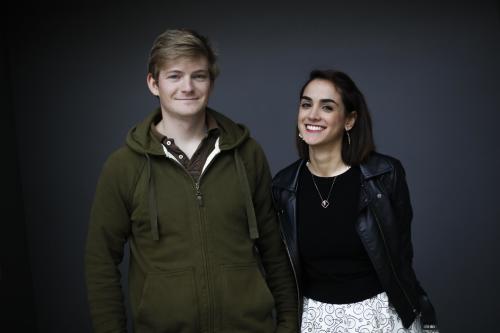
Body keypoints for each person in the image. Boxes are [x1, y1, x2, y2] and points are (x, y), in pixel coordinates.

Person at [85, 28, 298, 333]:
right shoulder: (123, 167)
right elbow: (100, 262)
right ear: (153, 83)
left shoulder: (247, 154)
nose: (187, 87)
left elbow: (274, 248)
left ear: (211, 82)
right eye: (174, 76)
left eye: (198, 75)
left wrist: (288, 324)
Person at [272, 69, 439, 333]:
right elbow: (280, 269)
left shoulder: (384, 175)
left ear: (349, 120)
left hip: (381, 318)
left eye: (327, 107)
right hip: (313, 321)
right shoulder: (282, 186)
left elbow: (401, 256)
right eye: (306, 104)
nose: (312, 114)